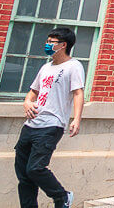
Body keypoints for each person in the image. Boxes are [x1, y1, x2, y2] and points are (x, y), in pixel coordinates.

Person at [16, 27, 84, 208]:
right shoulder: (46, 67)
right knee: (24, 175)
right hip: (30, 125)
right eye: (47, 41)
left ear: (63, 45)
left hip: (51, 125)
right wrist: (27, 103)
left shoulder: (73, 66)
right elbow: (33, 91)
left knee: (35, 169)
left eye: (51, 42)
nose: (47, 45)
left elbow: (78, 93)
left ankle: (62, 196)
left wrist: (76, 119)